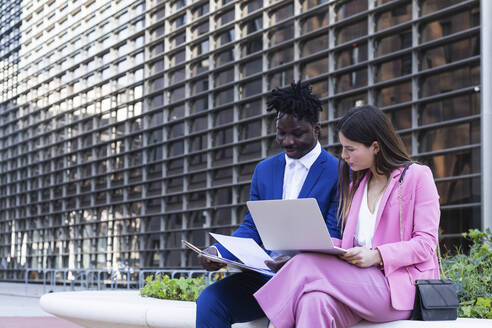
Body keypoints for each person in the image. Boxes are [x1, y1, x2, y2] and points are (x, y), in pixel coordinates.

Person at [253, 105, 441, 328]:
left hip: (396, 288)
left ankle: (273, 324)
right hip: (357, 283)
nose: (343, 156)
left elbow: (426, 243)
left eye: (350, 149)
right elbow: (348, 244)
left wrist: (377, 255)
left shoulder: (417, 176)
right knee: (314, 301)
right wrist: (310, 246)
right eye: (343, 148)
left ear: (375, 147)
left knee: (305, 265)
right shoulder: (356, 185)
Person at [195, 81, 341, 328]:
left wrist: (297, 262)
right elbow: (252, 228)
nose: (287, 141)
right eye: (281, 133)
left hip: (310, 280)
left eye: (297, 133)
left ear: (317, 129)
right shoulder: (265, 170)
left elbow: (334, 234)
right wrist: (219, 253)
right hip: (266, 277)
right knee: (210, 301)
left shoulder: (338, 171)